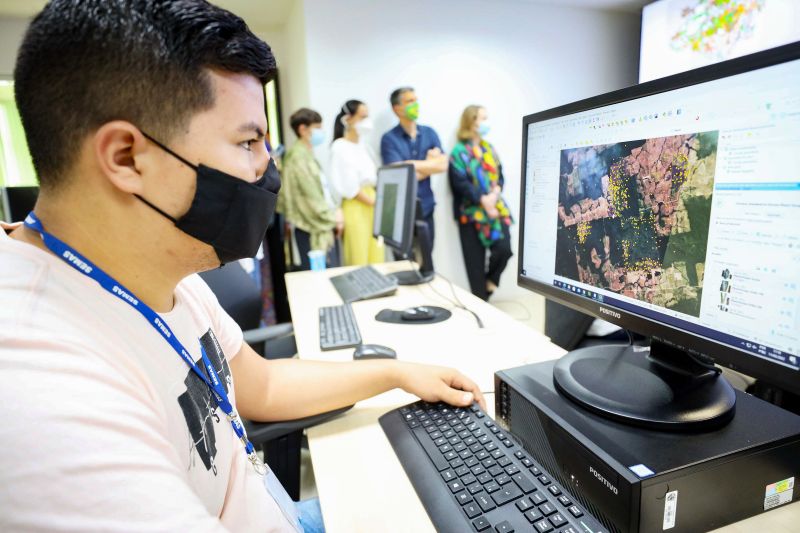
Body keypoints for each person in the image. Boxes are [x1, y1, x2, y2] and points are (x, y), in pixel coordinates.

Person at [0, 2, 486, 531]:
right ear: (126, 157)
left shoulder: (161, 273)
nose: (266, 168)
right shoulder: (44, 390)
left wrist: (397, 373)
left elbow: (265, 385)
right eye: (248, 142)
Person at [449, 105, 513, 300]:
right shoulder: (458, 152)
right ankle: (481, 304)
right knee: (475, 269)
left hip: (495, 209)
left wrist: (494, 194)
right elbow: (460, 183)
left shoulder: (489, 149)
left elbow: (500, 176)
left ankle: (490, 283)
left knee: (504, 250)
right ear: (471, 122)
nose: (487, 122)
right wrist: (483, 200)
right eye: (483, 118)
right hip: (470, 215)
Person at [277, 108, 343, 270]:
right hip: (312, 228)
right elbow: (310, 198)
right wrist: (334, 218)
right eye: (318, 127)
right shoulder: (298, 157)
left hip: (319, 225)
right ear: (303, 129)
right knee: (319, 278)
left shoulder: (306, 154)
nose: (321, 132)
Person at [380, 87, 447, 245]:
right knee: (405, 257)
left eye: (416, 100)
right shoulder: (389, 139)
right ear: (397, 108)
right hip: (401, 212)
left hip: (426, 207)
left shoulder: (429, 133)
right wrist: (430, 164)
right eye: (410, 101)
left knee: (427, 256)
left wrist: (409, 165)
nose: (415, 104)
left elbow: (443, 165)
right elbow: (398, 176)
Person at [329, 99, 384, 265]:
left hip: (372, 201)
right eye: (363, 116)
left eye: (368, 116)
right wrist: (376, 203)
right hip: (356, 205)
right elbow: (350, 187)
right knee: (359, 257)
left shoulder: (364, 146)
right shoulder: (340, 146)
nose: (367, 121)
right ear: (348, 119)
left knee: (377, 255)